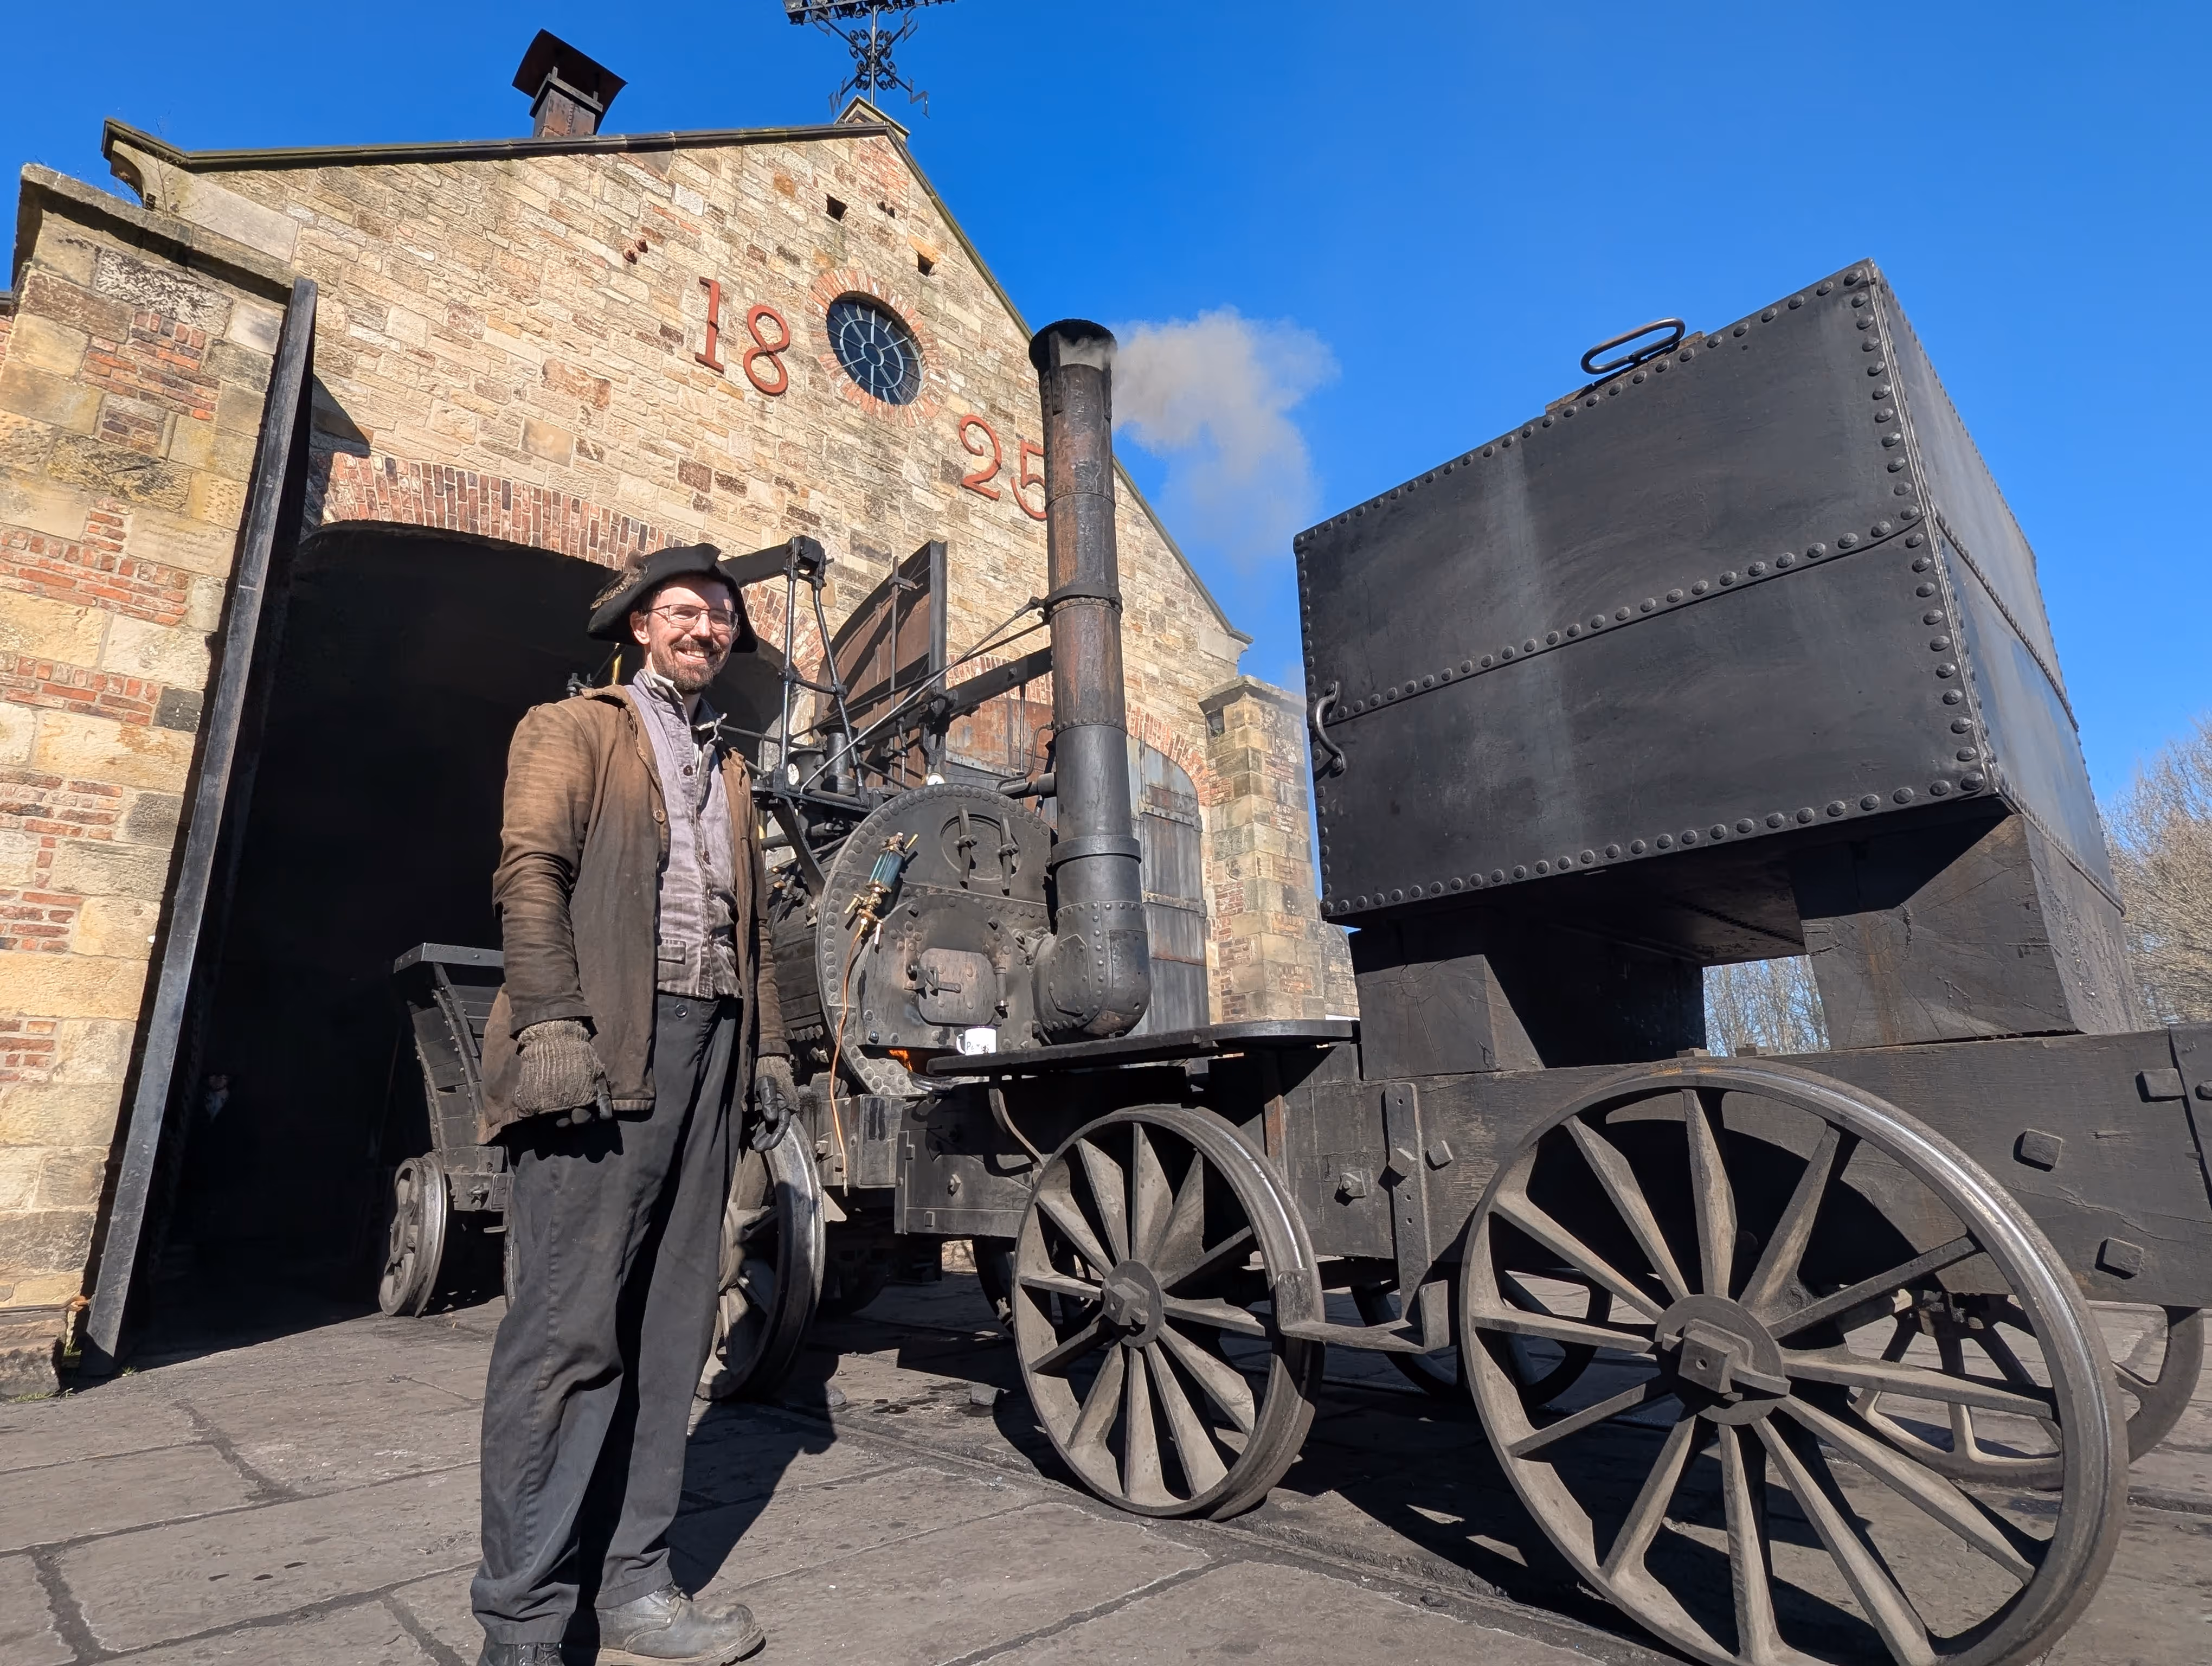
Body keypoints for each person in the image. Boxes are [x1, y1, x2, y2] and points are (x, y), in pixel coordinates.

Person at [471, 543, 798, 1665]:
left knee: (670, 1333)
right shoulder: (573, 730)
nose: (707, 630)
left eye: (720, 619)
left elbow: (744, 931)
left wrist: (765, 1056)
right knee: (567, 1332)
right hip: (608, 1036)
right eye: (686, 613)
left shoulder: (733, 767)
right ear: (642, 628)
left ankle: (635, 1589)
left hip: (708, 1053)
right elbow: (529, 875)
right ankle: (521, 1620)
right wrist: (554, 1021)